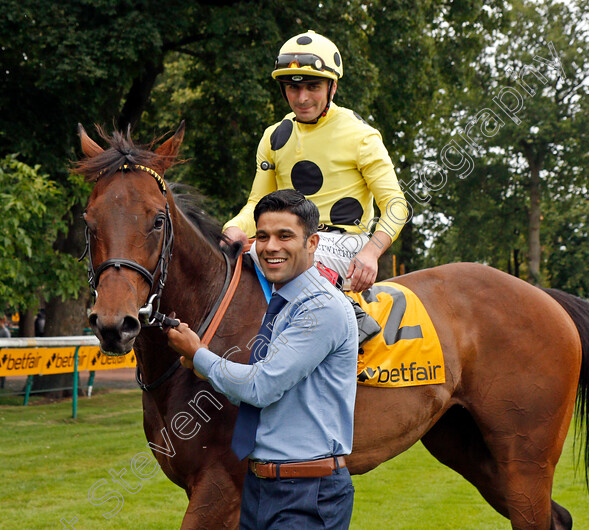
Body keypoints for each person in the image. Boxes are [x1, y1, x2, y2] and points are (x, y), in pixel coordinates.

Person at [168, 190, 358, 528]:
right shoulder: (284, 302)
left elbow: (261, 387)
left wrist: (199, 355)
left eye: (286, 236)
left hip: (306, 492)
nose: (271, 246)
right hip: (260, 486)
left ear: (312, 243)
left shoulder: (320, 307)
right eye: (263, 236)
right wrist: (202, 366)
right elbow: (258, 395)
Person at [223, 30, 409, 293]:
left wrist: (371, 252)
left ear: (332, 86)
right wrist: (232, 228)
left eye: (313, 86)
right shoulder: (273, 136)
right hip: (288, 240)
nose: (302, 98)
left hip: (345, 244)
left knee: (293, 255)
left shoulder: (361, 135)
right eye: (293, 87)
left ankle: (354, 324)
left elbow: (396, 205)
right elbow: (257, 205)